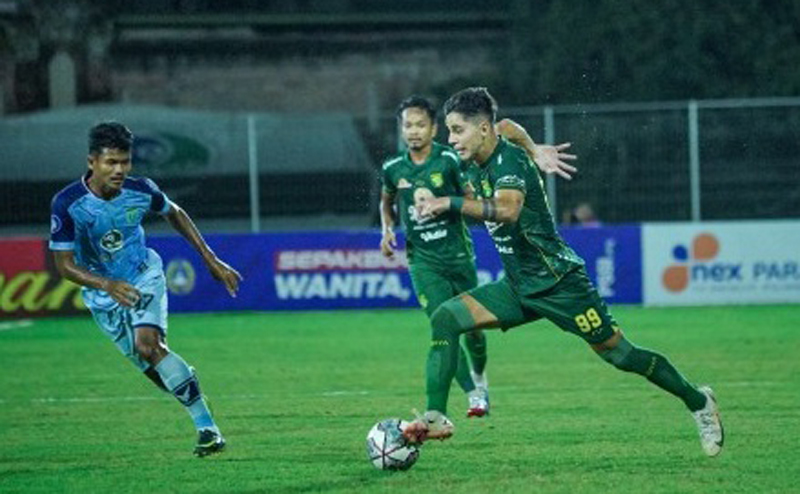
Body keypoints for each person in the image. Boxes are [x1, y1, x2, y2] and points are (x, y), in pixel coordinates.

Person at [402, 88, 724, 458]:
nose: (450, 139)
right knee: (445, 317)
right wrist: (536, 146)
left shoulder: (510, 164)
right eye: (449, 130)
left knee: (620, 355)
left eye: (457, 130)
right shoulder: (491, 143)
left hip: (560, 283)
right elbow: (508, 124)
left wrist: (449, 202)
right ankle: (435, 416)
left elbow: (507, 210)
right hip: (518, 286)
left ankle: (698, 400)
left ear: (483, 130)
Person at [49, 122, 242, 457]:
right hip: (103, 295)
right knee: (154, 368)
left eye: (125, 161)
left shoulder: (141, 190)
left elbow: (175, 213)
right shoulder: (68, 204)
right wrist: (106, 284)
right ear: (92, 161)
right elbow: (63, 265)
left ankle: (208, 431)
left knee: (148, 345)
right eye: (111, 162)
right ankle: (190, 388)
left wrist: (211, 259)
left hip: (142, 274)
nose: (120, 170)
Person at [380, 95, 577, 418]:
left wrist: (532, 150)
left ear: (432, 129)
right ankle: (473, 396)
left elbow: (502, 134)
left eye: (420, 124)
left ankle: (480, 379)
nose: (413, 131)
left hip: (458, 255)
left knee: (474, 334)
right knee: (443, 323)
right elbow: (386, 201)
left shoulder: (452, 157)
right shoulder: (392, 168)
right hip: (422, 260)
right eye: (407, 125)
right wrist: (387, 230)